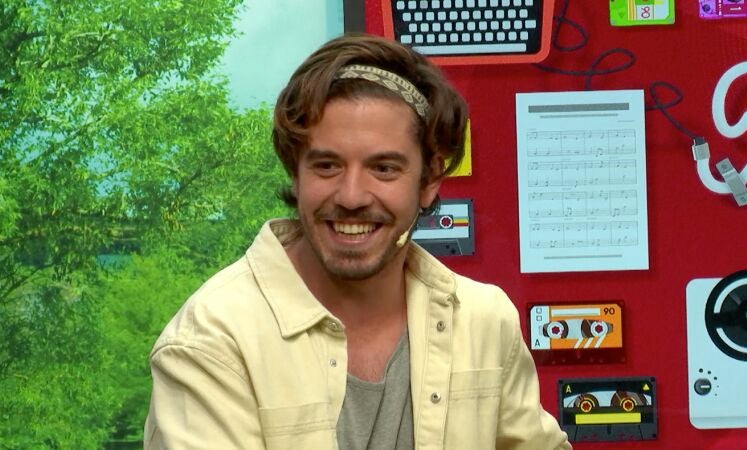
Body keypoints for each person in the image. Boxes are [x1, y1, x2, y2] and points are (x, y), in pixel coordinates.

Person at [144, 34, 571, 450]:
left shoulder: (483, 322)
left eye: (384, 168)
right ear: (296, 173)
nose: (351, 196)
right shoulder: (212, 341)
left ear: (429, 181)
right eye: (327, 166)